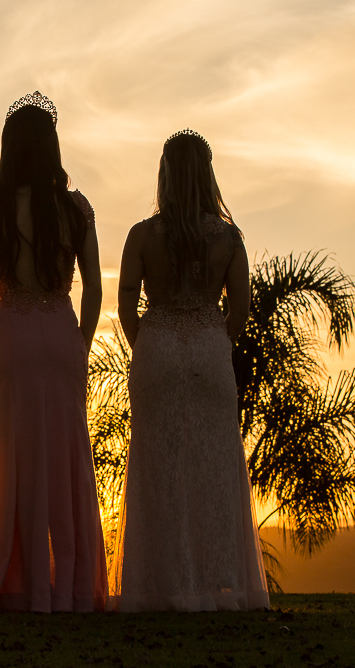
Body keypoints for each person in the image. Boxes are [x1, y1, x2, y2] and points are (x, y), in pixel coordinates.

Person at [111, 130, 270, 612]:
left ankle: (160, 585)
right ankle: (218, 583)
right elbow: (240, 309)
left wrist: (150, 344)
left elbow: (125, 305)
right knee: (213, 468)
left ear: (164, 174)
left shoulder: (142, 235)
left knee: (157, 468)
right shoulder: (228, 238)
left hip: (157, 348)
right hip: (208, 349)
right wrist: (213, 341)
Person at [0, 91, 108, 613]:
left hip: (10, 336)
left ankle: (12, 585)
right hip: (60, 334)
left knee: (11, 457)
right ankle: (69, 588)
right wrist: (80, 340)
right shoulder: (74, 209)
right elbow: (94, 287)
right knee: (68, 460)